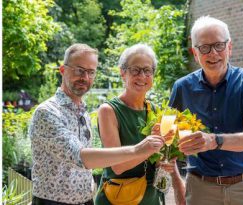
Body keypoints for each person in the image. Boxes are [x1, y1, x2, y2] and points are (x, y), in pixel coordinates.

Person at [29, 43, 165, 205]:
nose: (85, 77)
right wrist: (140, 149)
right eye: (79, 70)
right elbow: (80, 157)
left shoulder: (82, 112)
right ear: (63, 70)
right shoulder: (47, 112)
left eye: (91, 72)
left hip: (86, 201)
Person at [169, 16, 243, 205]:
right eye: (204, 48)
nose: (213, 53)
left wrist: (213, 141)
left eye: (219, 45)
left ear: (229, 47)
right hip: (200, 189)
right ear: (194, 53)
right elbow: (168, 140)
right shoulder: (181, 88)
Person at [95, 44, 184, 205]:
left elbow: (159, 159)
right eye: (135, 70)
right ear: (123, 72)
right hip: (119, 199)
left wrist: (165, 161)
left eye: (147, 70)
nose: (142, 76)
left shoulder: (156, 110)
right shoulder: (108, 111)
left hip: (151, 198)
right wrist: (153, 146)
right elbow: (118, 166)